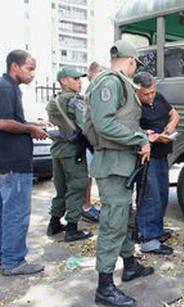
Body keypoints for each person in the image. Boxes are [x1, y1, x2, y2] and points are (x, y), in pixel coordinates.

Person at [85, 40, 153, 307]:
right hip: (113, 166)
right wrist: (139, 138)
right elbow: (103, 124)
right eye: (136, 63)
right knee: (113, 224)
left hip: (120, 164)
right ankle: (104, 287)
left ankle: (130, 266)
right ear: (132, 61)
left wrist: (138, 138)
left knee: (124, 218)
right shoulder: (111, 82)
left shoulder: (114, 82)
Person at [0, 50, 49, 276]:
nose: (33, 74)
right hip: (13, 163)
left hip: (4, 163)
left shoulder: (4, 86)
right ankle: (13, 261)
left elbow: (9, 119)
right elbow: (2, 122)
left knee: (0, 212)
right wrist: (30, 129)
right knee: (16, 214)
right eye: (29, 69)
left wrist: (32, 123)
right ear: (15, 66)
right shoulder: (4, 88)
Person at [132, 71, 179, 255]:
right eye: (146, 94)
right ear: (137, 91)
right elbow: (130, 130)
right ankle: (147, 239)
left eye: (152, 92)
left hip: (162, 154)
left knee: (161, 195)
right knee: (149, 196)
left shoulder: (159, 98)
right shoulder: (133, 106)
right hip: (146, 156)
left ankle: (155, 232)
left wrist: (170, 126)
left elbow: (175, 114)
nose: (150, 96)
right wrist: (149, 136)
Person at [45, 67, 93, 242]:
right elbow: (85, 125)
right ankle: (72, 228)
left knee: (60, 188)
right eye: (75, 78)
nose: (79, 82)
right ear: (64, 81)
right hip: (73, 151)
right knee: (77, 187)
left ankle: (54, 222)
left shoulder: (54, 101)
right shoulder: (73, 101)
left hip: (58, 149)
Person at [81, 61, 105, 223]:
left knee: (91, 176)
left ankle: (87, 206)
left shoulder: (95, 87)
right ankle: (86, 207)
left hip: (92, 143)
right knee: (89, 177)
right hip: (93, 144)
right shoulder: (94, 89)